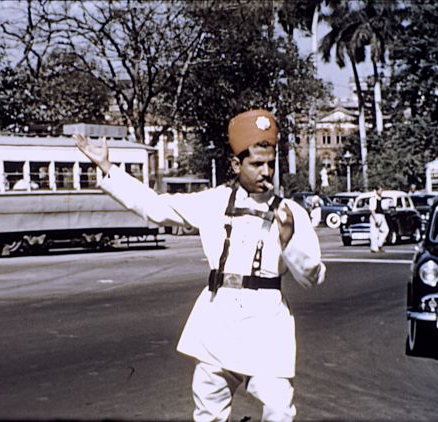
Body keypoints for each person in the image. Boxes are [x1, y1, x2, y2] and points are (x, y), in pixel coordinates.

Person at [74, 109, 325, 422]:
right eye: (256, 164)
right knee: (208, 412)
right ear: (236, 164)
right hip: (218, 325)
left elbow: (311, 276)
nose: (266, 172)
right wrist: (108, 167)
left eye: (270, 164)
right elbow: (156, 207)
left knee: (278, 407)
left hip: (266, 327)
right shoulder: (214, 202)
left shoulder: (290, 213)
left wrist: (289, 241)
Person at [368, 185, 389, 253]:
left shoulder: (381, 199)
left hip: (381, 216)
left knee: (386, 230)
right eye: (380, 190)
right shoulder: (373, 199)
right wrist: (375, 219)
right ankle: (374, 248)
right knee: (374, 232)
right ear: (376, 191)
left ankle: (379, 244)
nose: (381, 192)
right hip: (376, 216)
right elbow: (372, 210)